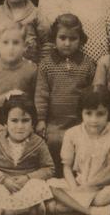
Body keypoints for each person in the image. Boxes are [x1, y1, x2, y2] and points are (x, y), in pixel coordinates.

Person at [47, 86, 110, 215]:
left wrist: (90, 185)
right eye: (88, 113)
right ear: (81, 113)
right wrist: (75, 188)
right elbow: (67, 167)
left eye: (100, 114)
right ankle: (92, 212)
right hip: (77, 185)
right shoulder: (72, 133)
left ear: (109, 113)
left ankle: (65, 206)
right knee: (50, 185)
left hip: (101, 187)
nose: (94, 120)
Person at [34, 14, 97, 174]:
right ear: (54, 38)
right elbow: (41, 94)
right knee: (53, 143)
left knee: (82, 146)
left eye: (73, 38)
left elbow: (92, 95)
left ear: (80, 40)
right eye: (62, 38)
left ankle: (79, 176)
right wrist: (41, 120)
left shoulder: (88, 64)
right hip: (55, 122)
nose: (67, 43)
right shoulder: (46, 64)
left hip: (79, 121)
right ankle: (56, 177)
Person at [0, 93, 55, 215]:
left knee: (39, 185)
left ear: (33, 124)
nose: (20, 126)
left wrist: (28, 177)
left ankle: (3, 212)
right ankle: (29, 209)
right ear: (5, 123)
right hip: (3, 184)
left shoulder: (38, 143)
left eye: (25, 121)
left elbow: (49, 168)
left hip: (26, 186)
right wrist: (2, 179)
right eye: (14, 121)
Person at [0, 22, 37, 133]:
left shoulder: (32, 69)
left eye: (16, 43)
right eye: (5, 43)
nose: (11, 48)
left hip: (22, 117)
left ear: (25, 46)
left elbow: (36, 98)